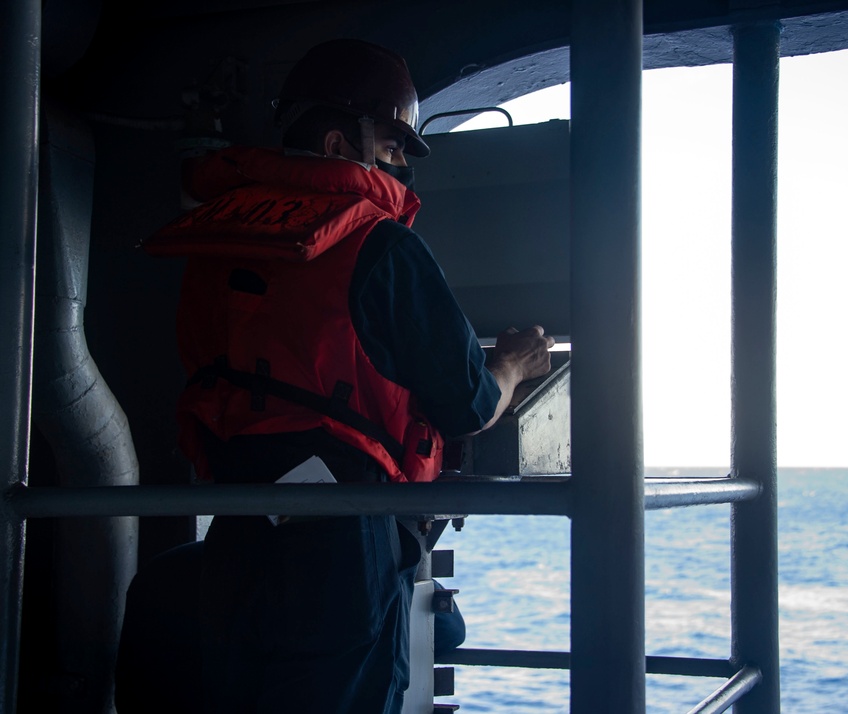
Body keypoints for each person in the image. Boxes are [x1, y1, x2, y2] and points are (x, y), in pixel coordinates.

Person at [137, 38, 553, 714]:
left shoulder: (219, 235)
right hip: (340, 533)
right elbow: (470, 404)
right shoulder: (381, 243)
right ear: (337, 144)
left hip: (241, 518)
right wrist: (512, 363)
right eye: (390, 147)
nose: (400, 168)